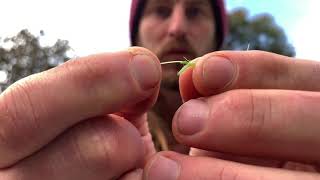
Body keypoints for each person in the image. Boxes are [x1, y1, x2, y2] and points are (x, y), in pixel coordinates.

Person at [0, 0, 319, 180]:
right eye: (161, 10)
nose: (177, 27)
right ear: (136, 34)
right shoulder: (82, 124)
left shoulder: (271, 152)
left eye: (195, 11)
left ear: (218, 38)